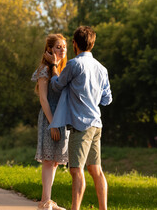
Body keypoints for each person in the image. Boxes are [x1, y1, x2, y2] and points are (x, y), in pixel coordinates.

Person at [46, 26, 112, 210]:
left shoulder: (74, 65)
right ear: (92, 43)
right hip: (96, 124)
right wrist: (92, 95)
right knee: (95, 170)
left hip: (81, 125)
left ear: (74, 44)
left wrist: (52, 65)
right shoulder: (102, 68)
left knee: (76, 170)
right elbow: (107, 99)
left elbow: (57, 86)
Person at [31, 34, 69, 210]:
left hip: (62, 119)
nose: (62, 50)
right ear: (49, 50)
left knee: (55, 161)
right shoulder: (44, 70)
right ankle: (44, 201)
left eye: (64, 47)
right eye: (58, 47)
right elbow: (44, 100)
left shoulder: (63, 70)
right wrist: (53, 123)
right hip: (50, 118)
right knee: (48, 159)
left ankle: (47, 199)